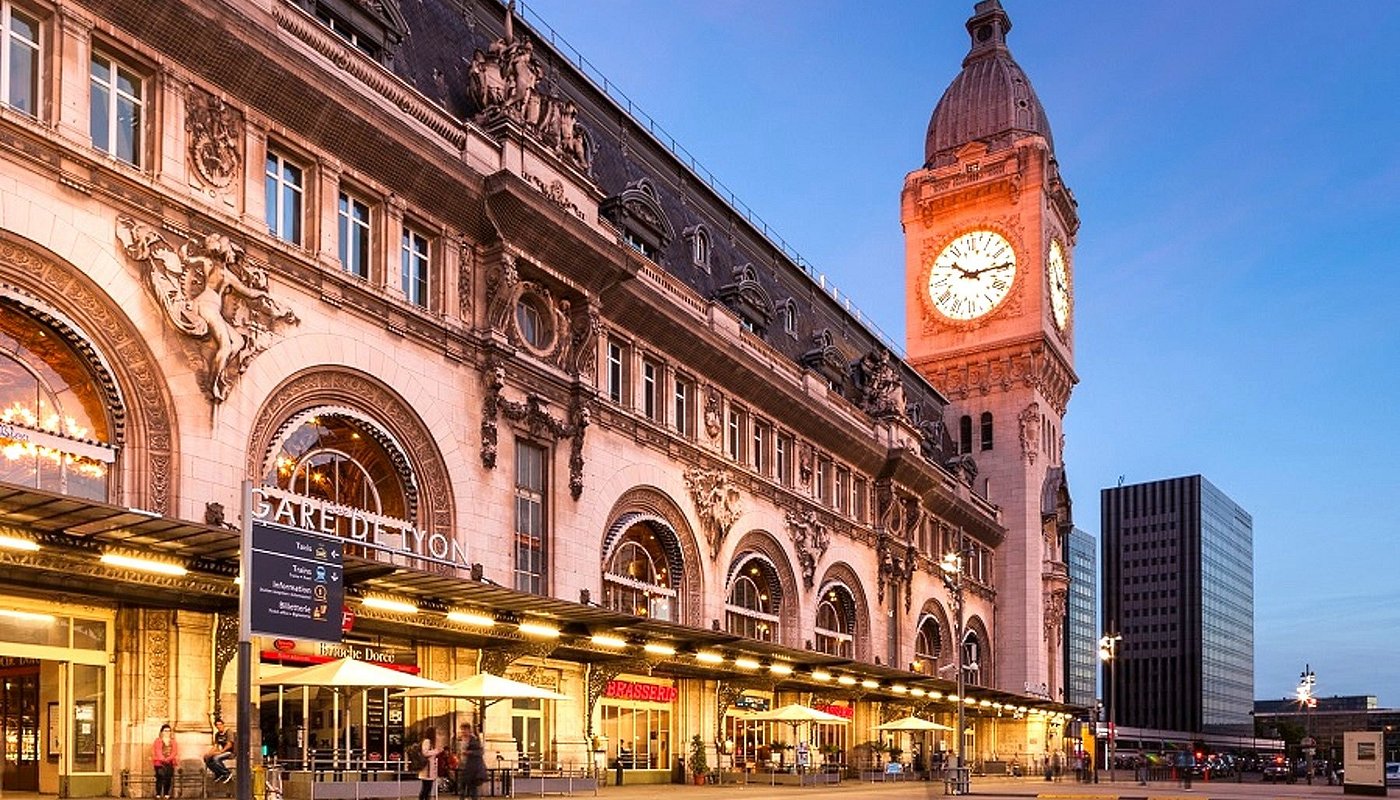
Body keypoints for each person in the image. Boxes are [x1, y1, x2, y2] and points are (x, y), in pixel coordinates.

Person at [458, 724, 487, 800]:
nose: (463, 732)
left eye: (465, 730)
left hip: (471, 767)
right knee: (462, 787)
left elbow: (480, 752)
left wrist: (469, 752)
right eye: (462, 730)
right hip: (463, 766)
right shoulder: (460, 739)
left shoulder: (474, 740)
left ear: (469, 730)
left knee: (471, 787)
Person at [205, 719, 234, 783]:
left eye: (220, 725)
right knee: (207, 759)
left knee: (216, 758)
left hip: (230, 752)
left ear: (223, 725)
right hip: (224, 752)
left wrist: (221, 752)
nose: (219, 726)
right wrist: (209, 753)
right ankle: (218, 773)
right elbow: (215, 746)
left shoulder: (228, 731)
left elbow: (229, 744)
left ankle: (227, 773)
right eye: (217, 725)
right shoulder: (217, 735)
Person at [153, 723, 178, 799]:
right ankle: (158, 793)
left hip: (170, 762)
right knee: (160, 777)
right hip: (159, 763)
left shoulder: (173, 741)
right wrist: (163, 759)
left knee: (168, 777)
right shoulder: (158, 741)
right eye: (165, 731)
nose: (167, 732)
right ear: (162, 732)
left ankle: (166, 793)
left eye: (169, 731)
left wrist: (168, 758)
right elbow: (157, 751)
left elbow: (174, 751)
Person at [417, 728, 441, 800]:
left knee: (427, 788)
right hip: (427, 768)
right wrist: (436, 751)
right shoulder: (427, 741)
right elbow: (425, 753)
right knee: (426, 788)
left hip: (430, 768)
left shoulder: (431, 742)